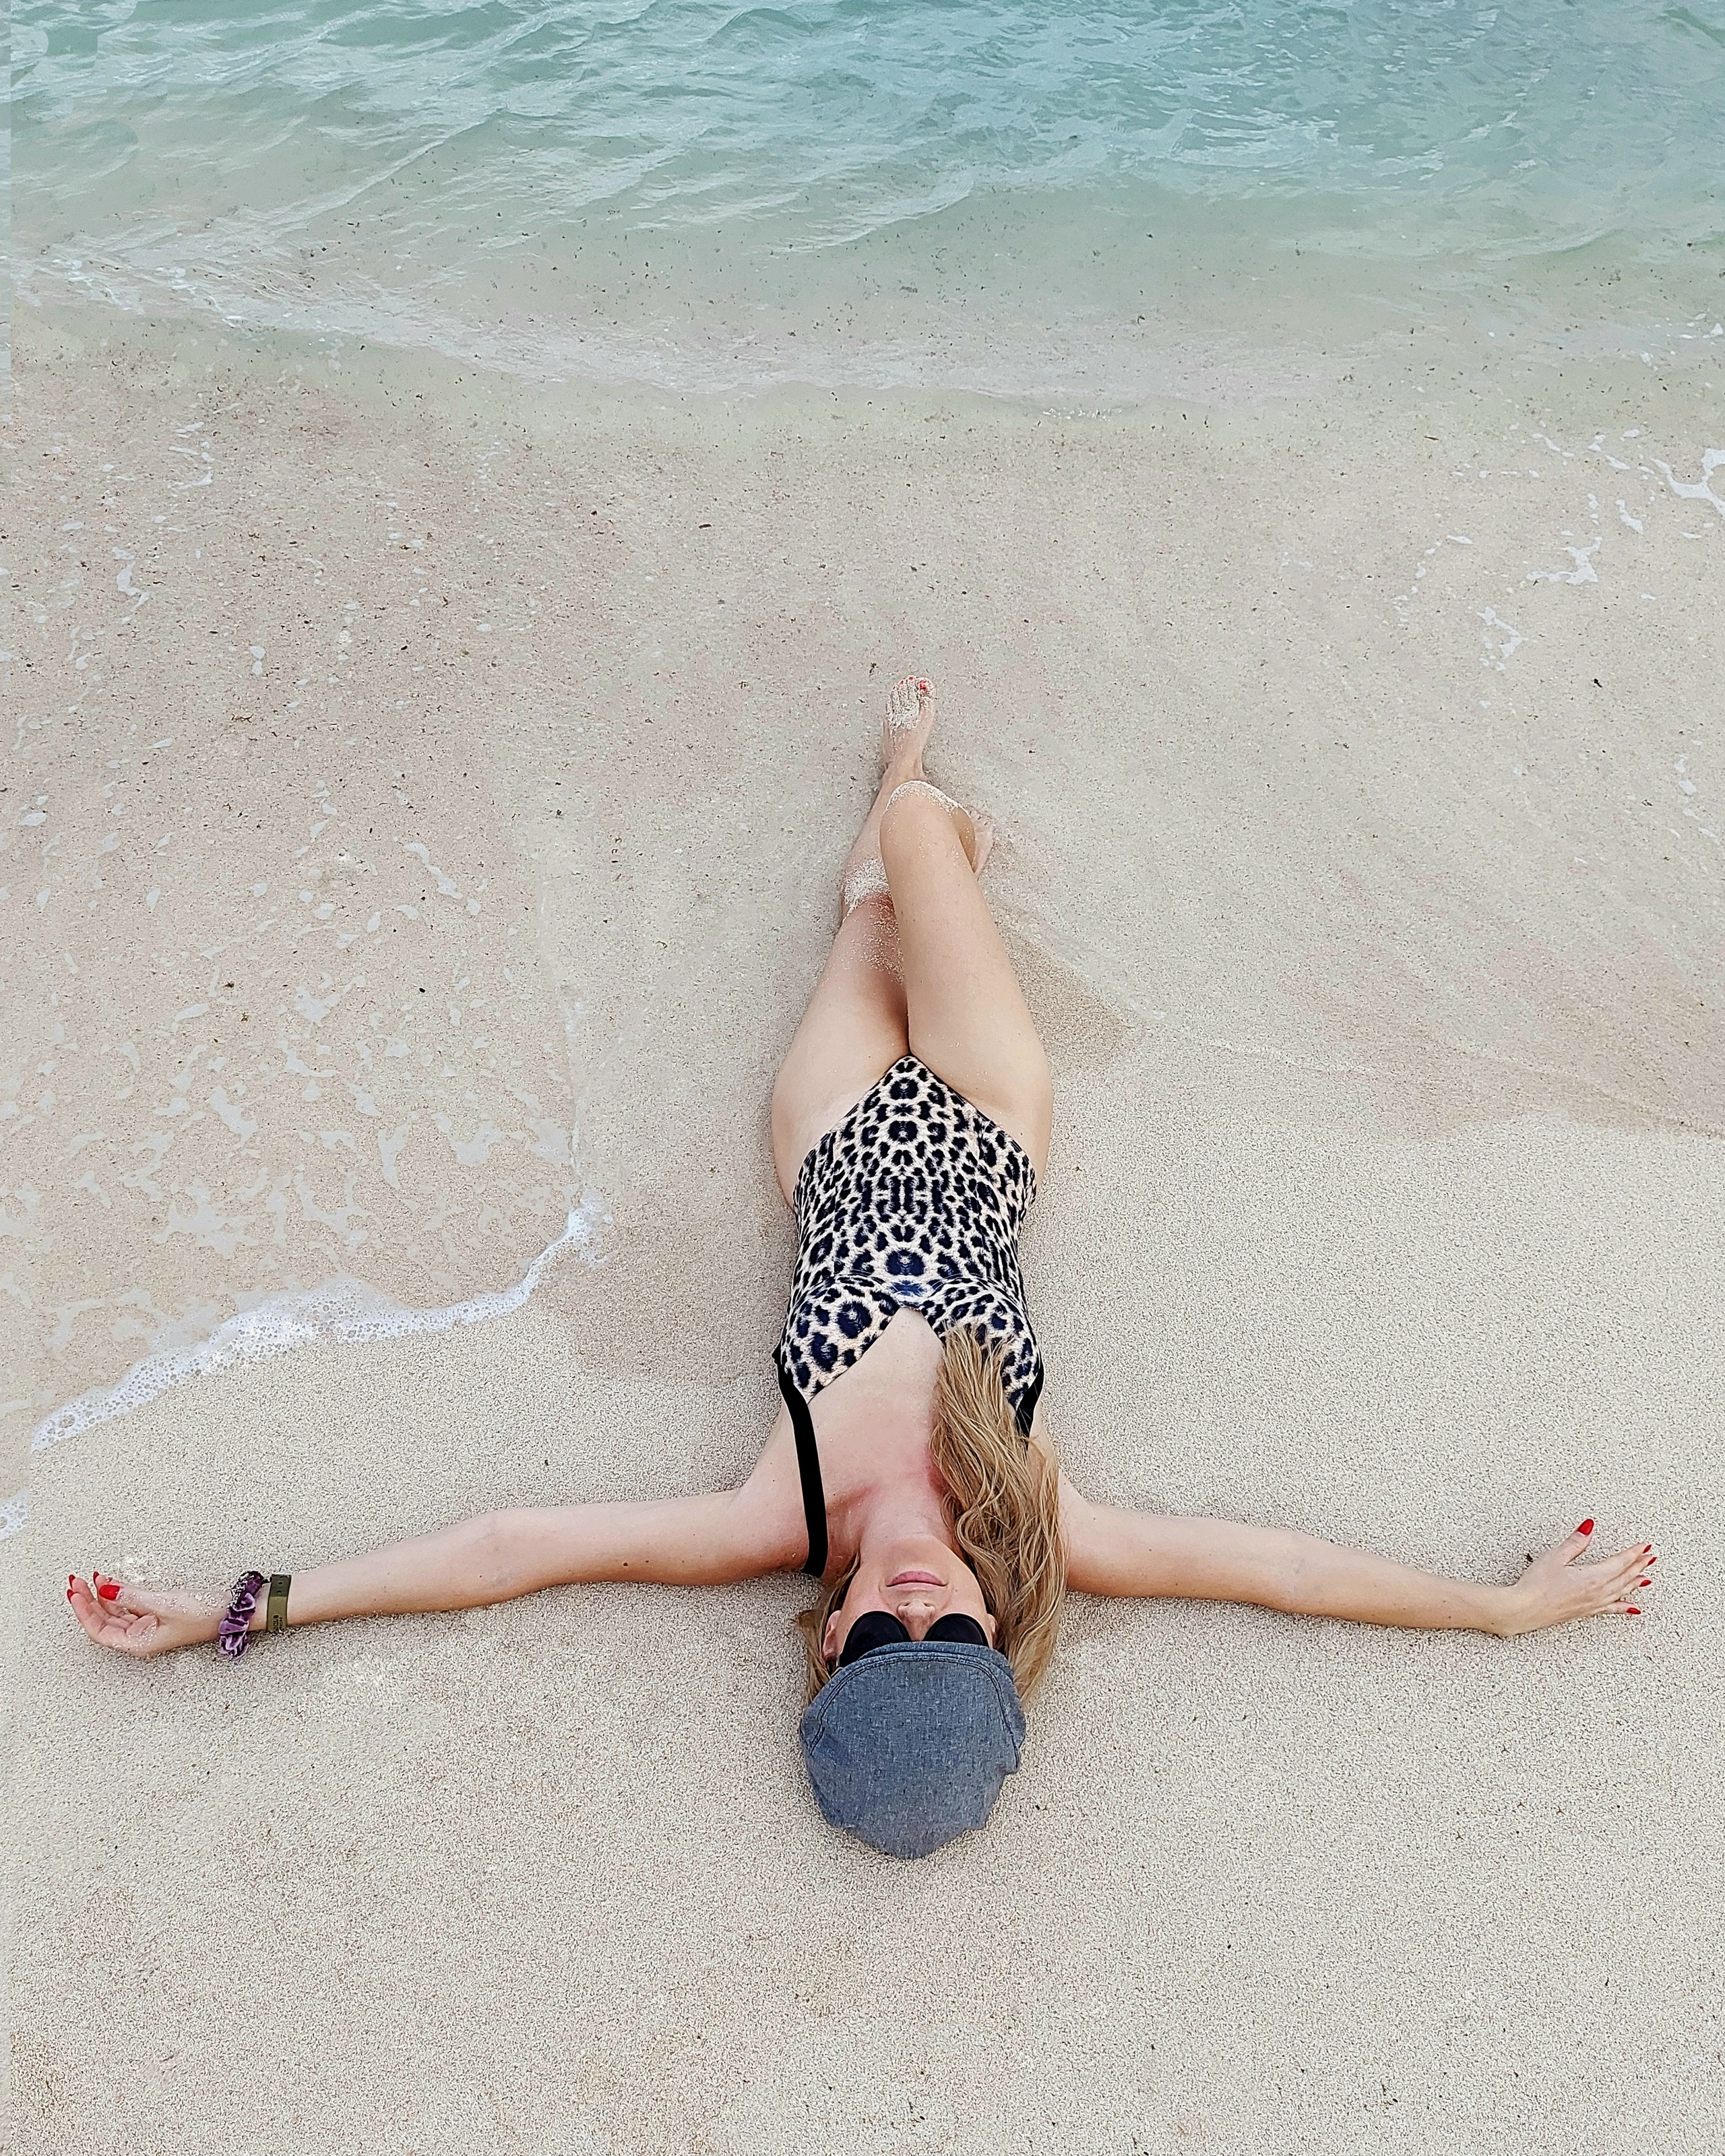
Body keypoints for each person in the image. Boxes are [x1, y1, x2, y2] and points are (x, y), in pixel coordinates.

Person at [67, 676, 1656, 1859]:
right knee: (910, 841)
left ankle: (902, 844)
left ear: (825, 1649)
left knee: (869, 912)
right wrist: (1494, 1613)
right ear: (988, 1638)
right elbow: (1288, 1572)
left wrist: (250, 1605)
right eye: (949, 1641)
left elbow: (506, 1547)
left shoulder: (780, 1518)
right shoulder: (1036, 1520)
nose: (912, 1605)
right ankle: (920, 801)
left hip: (823, 1138)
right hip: (983, 1114)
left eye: (879, 1642)